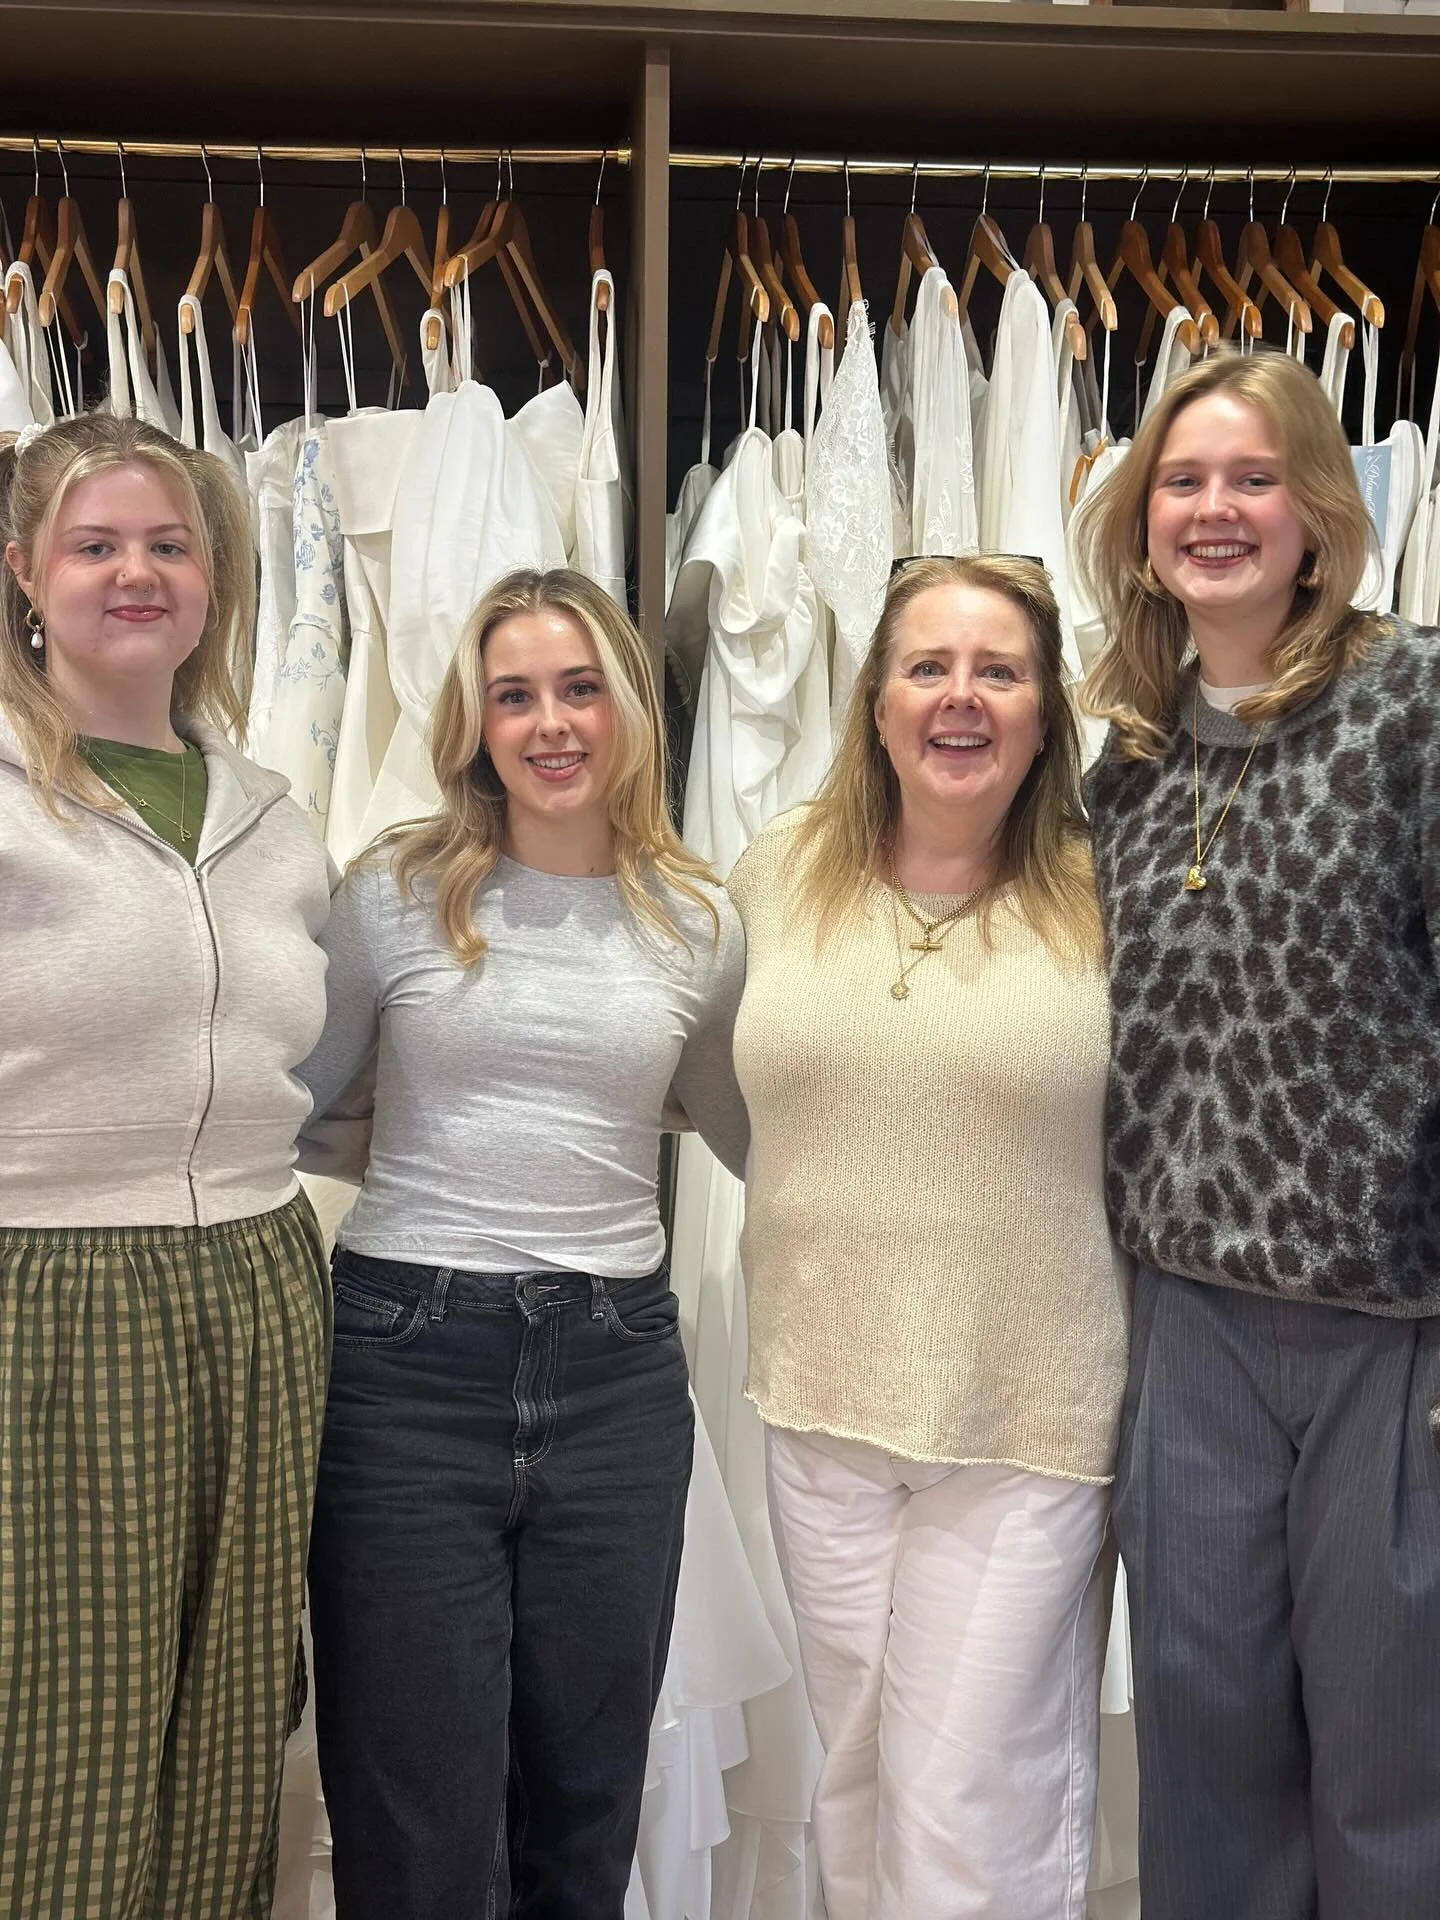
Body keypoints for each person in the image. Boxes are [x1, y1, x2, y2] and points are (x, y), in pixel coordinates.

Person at [297, 566, 749, 1920]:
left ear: (626, 710)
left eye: (579, 689)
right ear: (477, 723)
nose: (550, 723)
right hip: (406, 1372)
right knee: (414, 1810)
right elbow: (298, 1102)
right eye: (514, 696)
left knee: (584, 1804)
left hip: (616, 1377)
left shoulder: (700, 923)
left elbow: (748, 1128)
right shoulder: (395, 893)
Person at [1075, 347, 1440, 1920]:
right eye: (1182, 480)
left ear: (1317, 515)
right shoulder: (1126, 758)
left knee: (1394, 1769)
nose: (1213, 509)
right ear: (1141, 520)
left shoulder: (1412, 704)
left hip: (1392, 1328)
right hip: (1189, 1329)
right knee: (1206, 1761)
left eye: (1252, 477)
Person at [723, 553, 1129, 1919]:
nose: (962, 697)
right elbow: (729, 1096)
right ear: (878, 703)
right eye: (929, 667)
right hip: (819, 1398)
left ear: (1045, 711)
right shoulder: (778, 873)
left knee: (968, 1804)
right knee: (846, 1776)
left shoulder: (1106, 894)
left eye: (999, 671)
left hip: (1027, 1422)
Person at [0, 414, 333, 1919]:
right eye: (96, 545)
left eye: (169, 544)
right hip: (50, 1288)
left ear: (214, 576)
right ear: (25, 571)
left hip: (261, 1279)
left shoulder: (275, 817)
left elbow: (311, 1065)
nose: (137, 574)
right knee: (62, 1714)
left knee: (233, 1707)